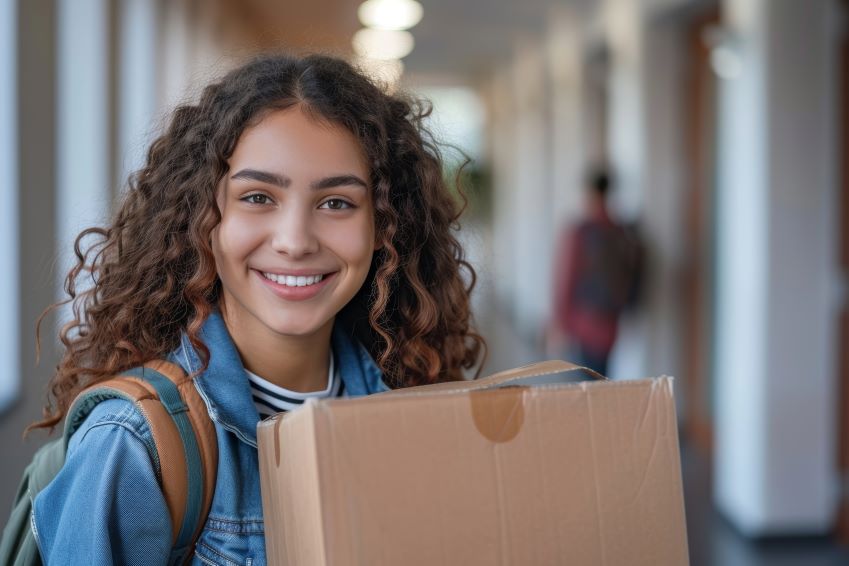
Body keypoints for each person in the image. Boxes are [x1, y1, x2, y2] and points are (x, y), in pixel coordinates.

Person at [28, 53, 487, 564]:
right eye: (258, 197)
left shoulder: (409, 407)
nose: (294, 242)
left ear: (384, 227)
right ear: (202, 218)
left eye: (336, 202)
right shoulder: (134, 447)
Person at [549, 168, 643, 376]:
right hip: (611, 321)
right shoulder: (621, 231)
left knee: (584, 383)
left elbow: (566, 278)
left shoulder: (581, 231)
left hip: (583, 322)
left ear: (590, 192)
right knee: (603, 376)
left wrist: (558, 322)